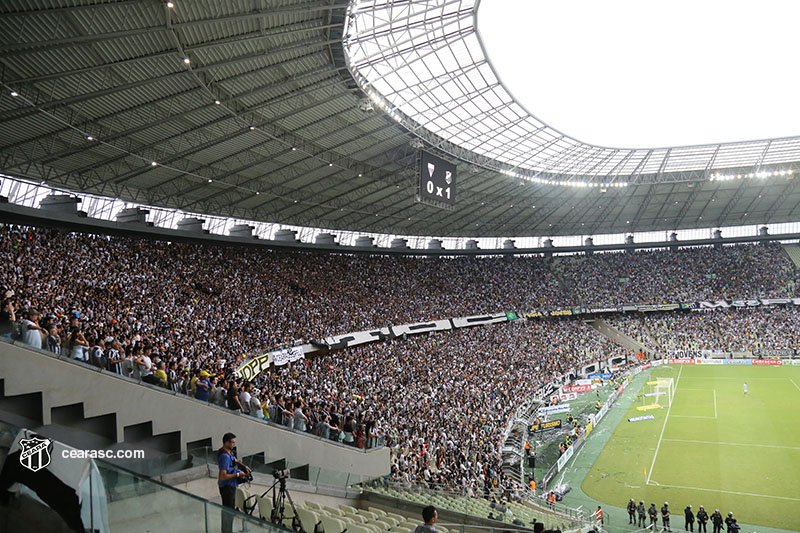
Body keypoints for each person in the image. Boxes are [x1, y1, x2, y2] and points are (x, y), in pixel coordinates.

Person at [217, 432, 251, 533]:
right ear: (226, 442)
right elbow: (222, 476)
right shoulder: (224, 457)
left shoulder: (227, 452)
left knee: (228, 511)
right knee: (228, 512)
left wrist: (244, 467)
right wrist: (238, 475)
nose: (234, 444)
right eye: (232, 442)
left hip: (230, 486)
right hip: (227, 488)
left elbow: (234, 460)